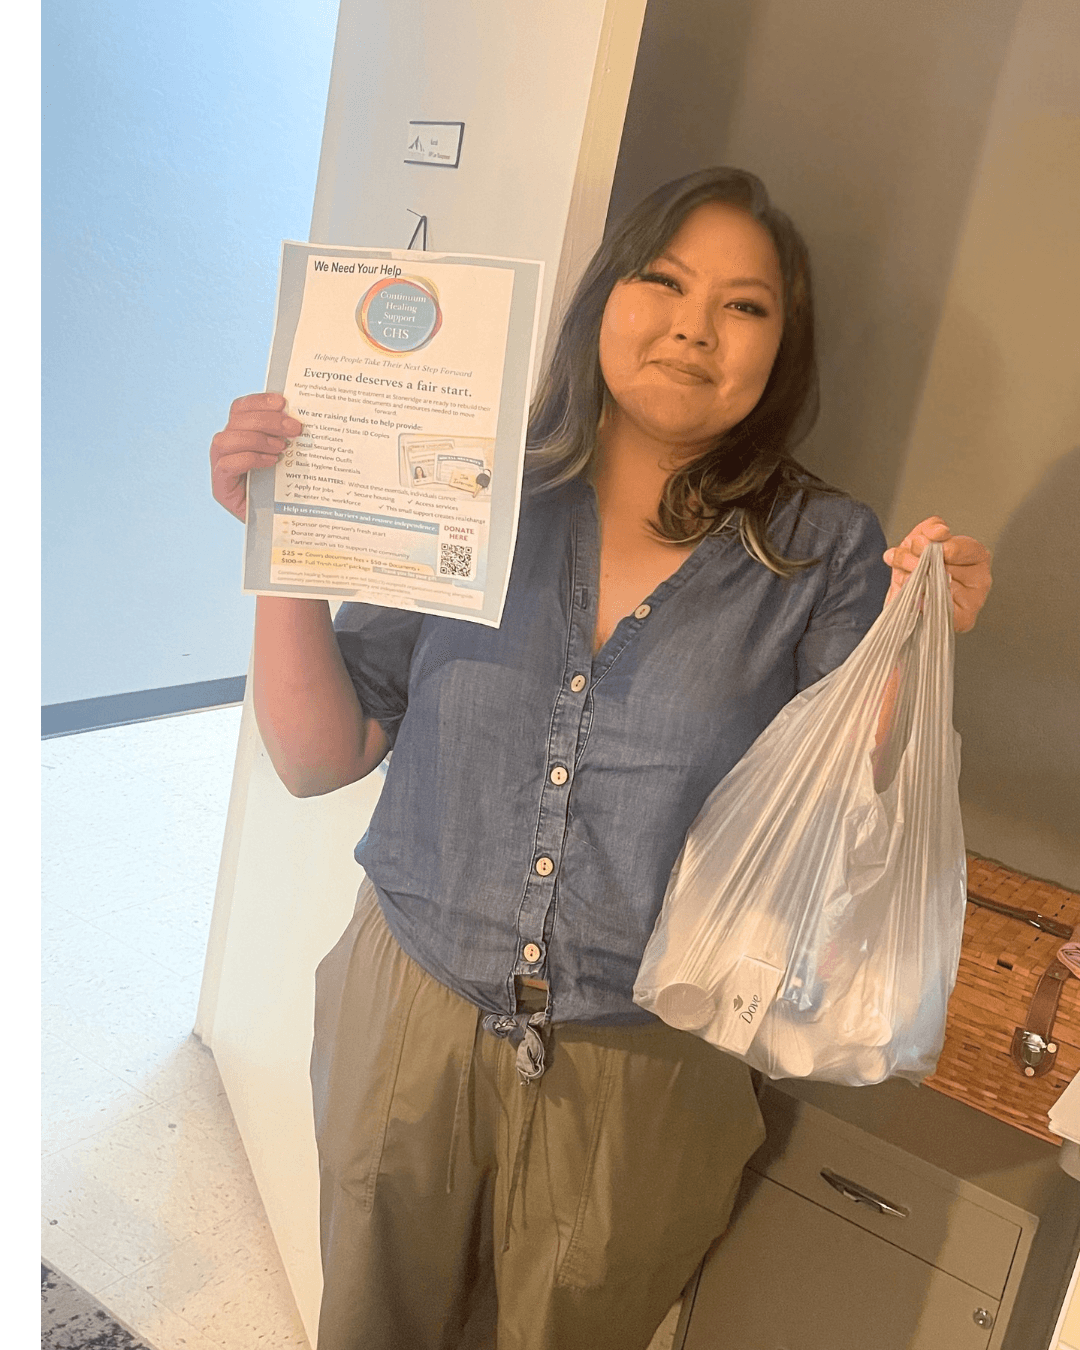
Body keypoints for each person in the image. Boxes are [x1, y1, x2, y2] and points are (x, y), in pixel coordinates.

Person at [210, 167, 993, 1350]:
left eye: (745, 305)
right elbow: (321, 755)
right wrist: (286, 542)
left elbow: (850, 807)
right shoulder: (475, 488)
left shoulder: (822, 550)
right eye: (663, 280)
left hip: (646, 1072)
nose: (694, 325)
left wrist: (920, 642)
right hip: (407, 1015)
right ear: (600, 302)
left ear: (782, 347)